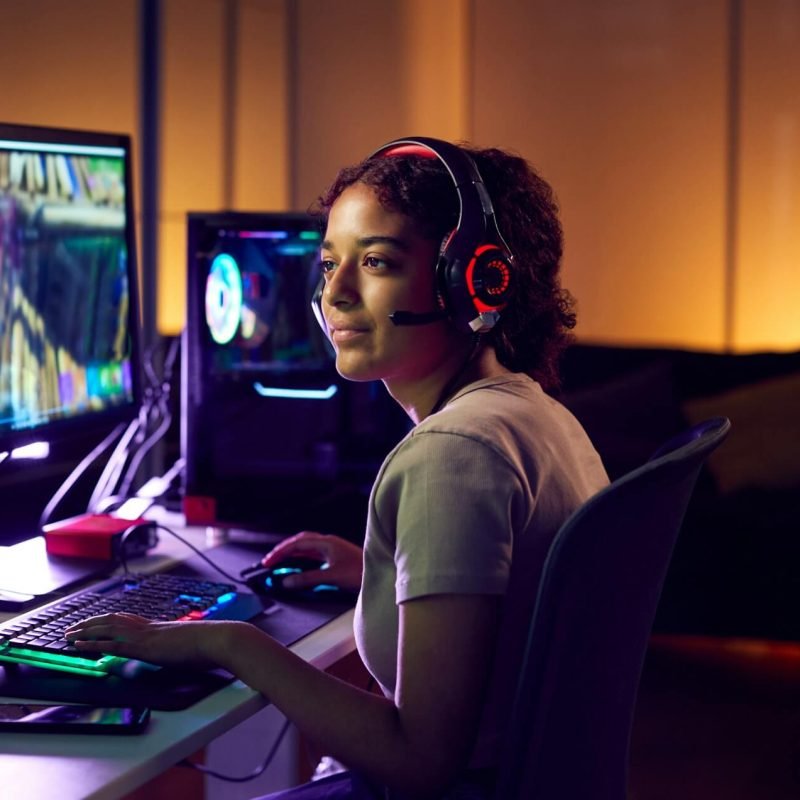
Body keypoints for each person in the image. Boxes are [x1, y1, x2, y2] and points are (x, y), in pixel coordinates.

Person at [65, 137, 608, 800]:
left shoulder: (454, 454)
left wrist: (231, 644)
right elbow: (518, 598)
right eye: (329, 264)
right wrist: (383, 570)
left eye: (376, 262)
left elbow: (420, 763)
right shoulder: (536, 418)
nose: (335, 294)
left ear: (473, 279)